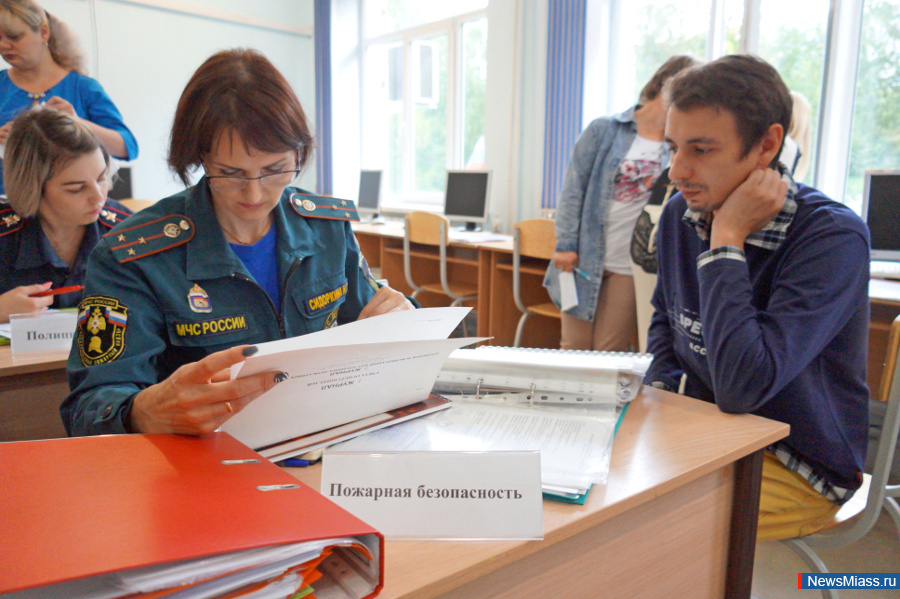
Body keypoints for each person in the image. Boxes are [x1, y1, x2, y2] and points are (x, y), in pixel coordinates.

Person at [61, 48, 414, 438]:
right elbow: (90, 407)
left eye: (275, 170)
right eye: (230, 173)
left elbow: (372, 334)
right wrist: (142, 413)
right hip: (204, 468)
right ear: (201, 157)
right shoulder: (132, 256)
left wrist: (402, 321)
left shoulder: (327, 228)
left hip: (322, 449)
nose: (255, 192)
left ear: (298, 153)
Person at [645, 55, 869, 541]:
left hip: (797, 463)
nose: (677, 171)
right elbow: (667, 320)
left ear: (767, 144)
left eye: (701, 149)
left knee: (640, 525)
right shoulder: (679, 217)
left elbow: (742, 387)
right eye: (672, 148)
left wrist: (727, 239)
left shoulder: (832, 237)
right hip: (706, 436)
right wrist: (657, 400)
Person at [544, 55, 701, 351]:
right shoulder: (604, 129)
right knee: (573, 346)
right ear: (666, 86)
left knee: (610, 353)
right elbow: (573, 189)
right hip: (584, 257)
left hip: (631, 264)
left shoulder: (679, 145)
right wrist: (565, 243)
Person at [0, 109, 130, 324]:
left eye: (101, 178)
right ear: (33, 188)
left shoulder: (128, 230)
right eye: (76, 188)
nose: (98, 197)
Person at [0, 0, 138, 194]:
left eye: (14, 36)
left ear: (43, 32)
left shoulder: (83, 87)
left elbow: (127, 147)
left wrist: (78, 123)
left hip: (73, 208)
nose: (4, 46)